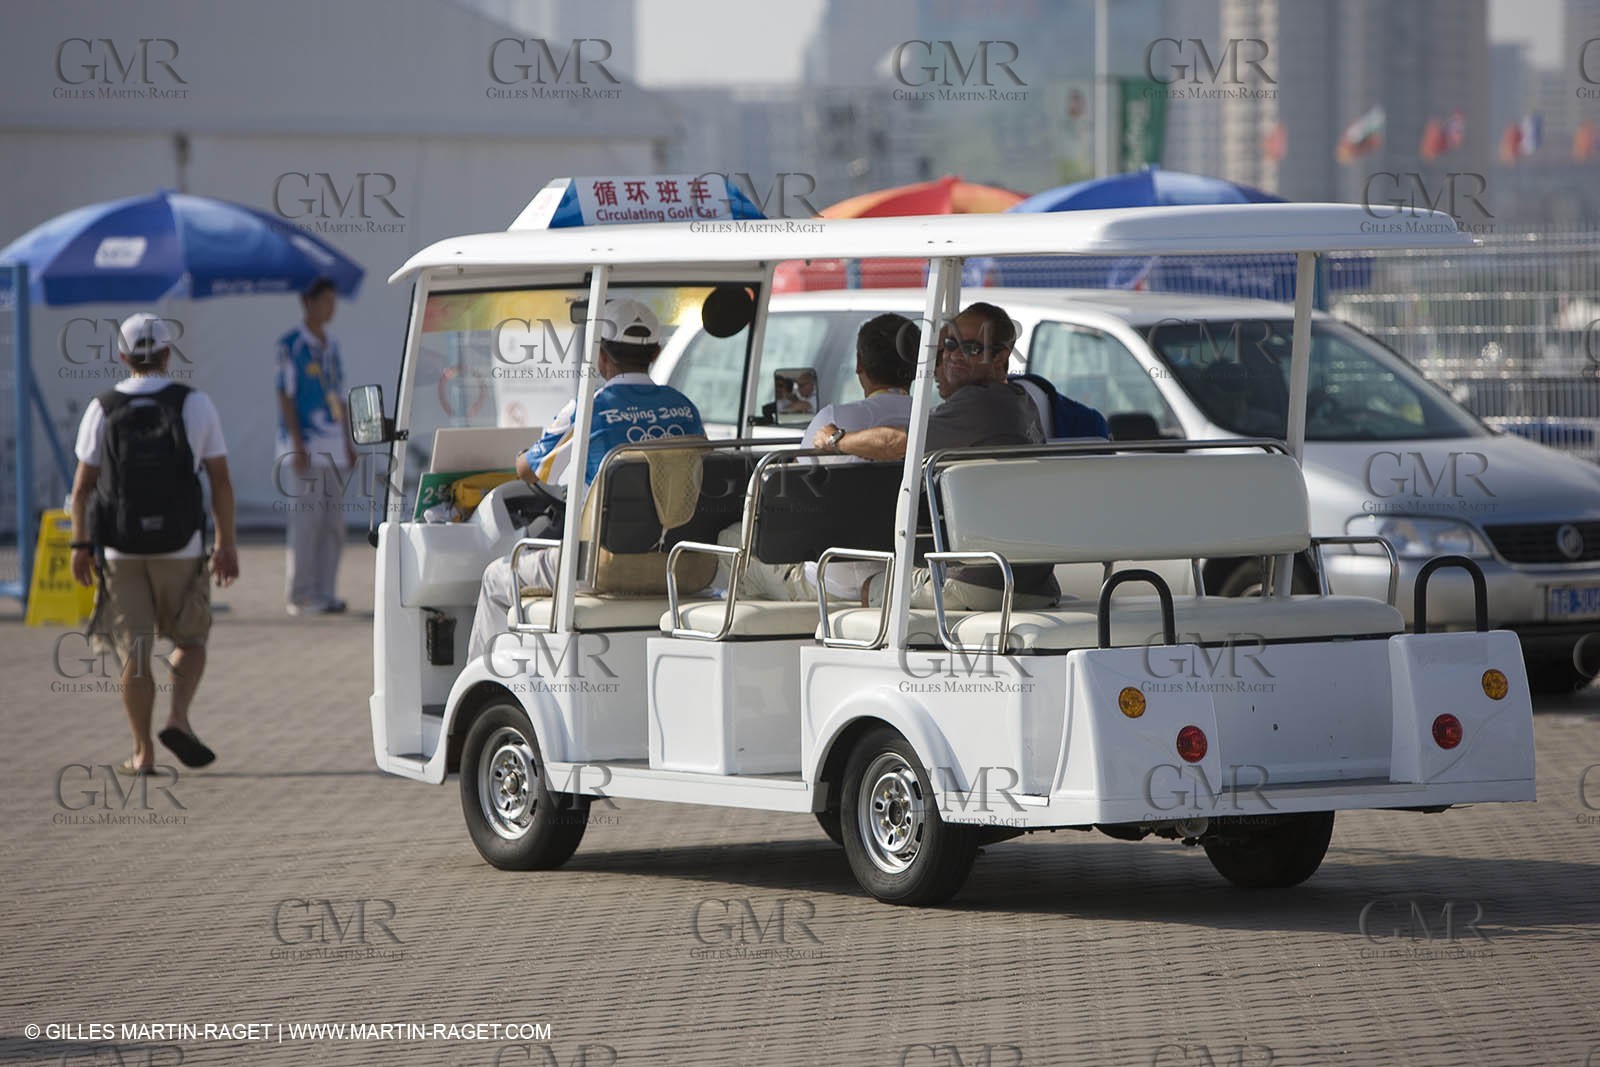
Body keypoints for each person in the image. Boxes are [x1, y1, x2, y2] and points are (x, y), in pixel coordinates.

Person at [467, 299, 704, 659]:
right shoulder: (685, 408)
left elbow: (527, 470)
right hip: (678, 563)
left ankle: (485, 685)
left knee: (496, 577)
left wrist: (521, 455)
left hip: (599, 567)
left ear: (601, 356)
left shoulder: (590, 407)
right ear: (655, 353)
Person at [69, 313, 239, 775]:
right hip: (181, 545)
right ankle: (178, 717)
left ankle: (142, 752)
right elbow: (220, 482)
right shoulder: (194, 403)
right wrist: (226, 543)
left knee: (135, 652)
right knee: (192, 638)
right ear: (167, 354)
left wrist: (79, 546)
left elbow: (82, 488)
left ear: (123, 357)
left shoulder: (101, 407)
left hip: (121, 550)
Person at [811, 301, 1058, 610]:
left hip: (980, 584)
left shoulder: (979, 404)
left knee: (868, 585)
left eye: (969, 348)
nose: (952, 356)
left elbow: (899, 443)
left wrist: (836, 438)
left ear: (1000, 358)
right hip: (1036, 586)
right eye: (948, 346)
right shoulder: (1021, 400)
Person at [720, 313, 918, 604]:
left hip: (831, 581)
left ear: (860, 364)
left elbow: (794, 497)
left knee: (731, 539)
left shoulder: (836, 419)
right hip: (903, 572)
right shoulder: (935, 421)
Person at [276, 277, 353, 616]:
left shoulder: (333, 345)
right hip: (306, 445)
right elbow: (285, 394)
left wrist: (350, 440)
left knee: (333, 523)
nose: (331, 308)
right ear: (307, 303)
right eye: (325, 301)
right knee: (306, 523)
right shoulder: (291, 344)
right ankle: (301, 594)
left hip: (335, 446)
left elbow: (340, 394)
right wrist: (295, 442)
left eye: (333, 301)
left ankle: (326, 592)